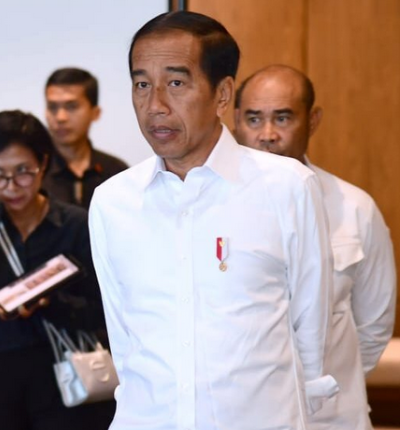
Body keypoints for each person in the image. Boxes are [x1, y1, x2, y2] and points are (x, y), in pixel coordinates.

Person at [88, 11, 338, 429]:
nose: (155, 105)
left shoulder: (287, 187)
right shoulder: (113, 202)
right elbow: (123, 338)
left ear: (223, 95)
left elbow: (310, 335)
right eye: (142, 84)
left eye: (176, 83)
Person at [234, 64, 397, 430]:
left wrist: (321, 386)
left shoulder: (354, 207)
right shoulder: (212, 209)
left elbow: (373, 327)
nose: (268, 134)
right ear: (235, 122)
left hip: (330, 417)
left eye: (283, 118)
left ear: (312, 121)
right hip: (242, 416)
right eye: (254, 119)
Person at [0, 110, 114, 430]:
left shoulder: (76, 225)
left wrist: (53, 303)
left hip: (62, 377)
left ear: (43, 163)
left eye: (23, 172)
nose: (11, 187)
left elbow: (104, 309)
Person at [42, 67, 128, 208]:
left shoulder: (116, 171)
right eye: (52, 107)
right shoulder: (35, 173)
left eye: (71, 106)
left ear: (95, 113)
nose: (60, 117)